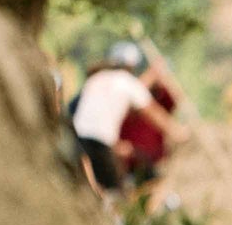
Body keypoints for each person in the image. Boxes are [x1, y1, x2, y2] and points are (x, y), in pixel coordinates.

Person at [71, 42, 185, 193]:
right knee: (112, 191)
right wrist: (178, 132)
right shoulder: (127, 82)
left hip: (76, 138)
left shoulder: (96, 78)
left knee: (88, 186)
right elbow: (153, 112)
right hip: (99, 143)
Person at [117, 61, 180, 190]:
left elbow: (176, 98)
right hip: (130, 167)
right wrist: (151, 75)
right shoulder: (126, 99)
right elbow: (132, 93)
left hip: (155, 163)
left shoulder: (159, 98)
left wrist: (163, 77)